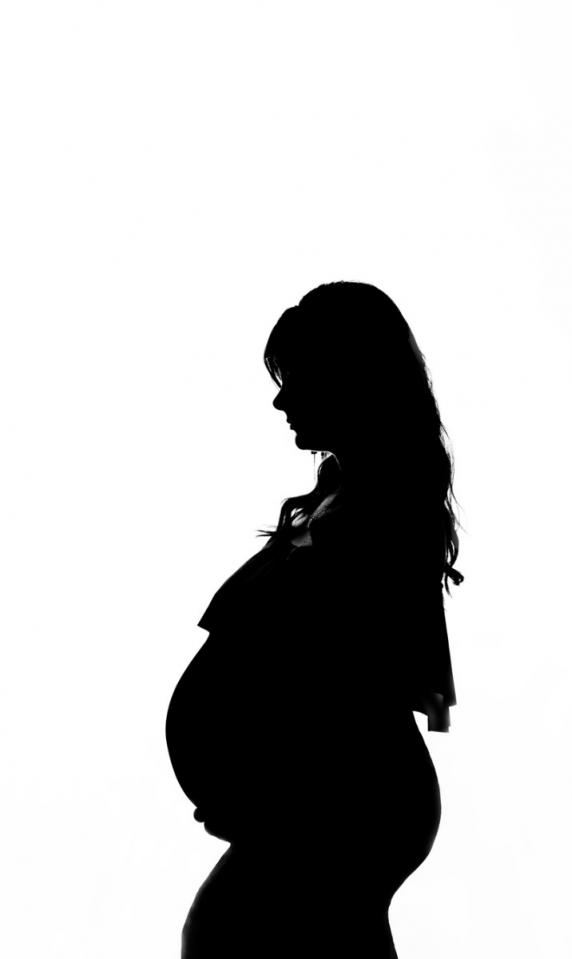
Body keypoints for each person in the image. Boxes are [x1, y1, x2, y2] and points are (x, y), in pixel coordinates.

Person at [166, 281, 464, 958]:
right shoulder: (339, 501)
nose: (279, 398)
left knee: (226, 934)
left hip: (343, 798)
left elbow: (344, 678)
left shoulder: (383, 511)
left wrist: (270, 784)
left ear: (350, 377)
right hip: (321, 795)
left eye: (294, 378)